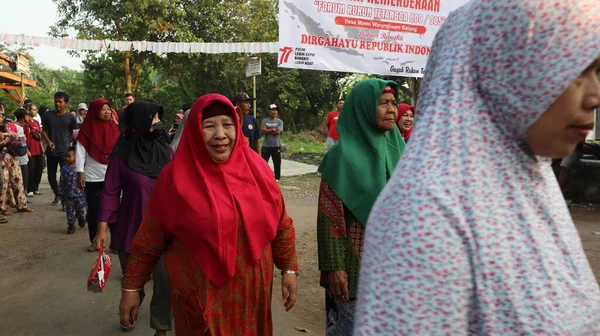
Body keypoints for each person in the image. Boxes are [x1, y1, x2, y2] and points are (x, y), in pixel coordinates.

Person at [354, 1, 600, 334]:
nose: (595, 96)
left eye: (596, 72)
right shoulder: (425, 213)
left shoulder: (531, 181)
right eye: (575, 71)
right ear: (504, 70)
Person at [113, 94, 298, 335]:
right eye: (209, 126)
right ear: (193, 132)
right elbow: (150, 238)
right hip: (199, 298)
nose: (220, 134)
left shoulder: (258, 169)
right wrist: (131, 288)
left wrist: (289, 270)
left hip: (251, 297)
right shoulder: (175, 178)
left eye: (227, 125)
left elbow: (281, 224)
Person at [317, 79, 404, 335]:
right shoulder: (342, 155)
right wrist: (334, 267)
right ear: (364, 107)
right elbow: (329, 214)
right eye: (383, 103)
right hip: (355, 268)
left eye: (394, 103)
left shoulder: (401, 151)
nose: (391, 109)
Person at [94, 100, 173, 335]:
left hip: (164, 230)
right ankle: (131, 308)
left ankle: (161, 328)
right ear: (139, 121)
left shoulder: (168, 151)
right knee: (133, 281)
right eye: (154, 118)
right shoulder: (121, 155)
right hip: (132, 229)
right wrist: (101, 229)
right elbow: (109, 193)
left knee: (165, 283)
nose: (159, 123)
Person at [76, 98, 120, 252]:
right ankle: (94, 241)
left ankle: (116, 242)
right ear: (95, 111)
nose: (107, 112)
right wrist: (80, 173)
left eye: (108, 109)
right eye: (103, 109)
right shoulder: (87, 130)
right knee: (94, 209)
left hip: (113, 175)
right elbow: (80, 153)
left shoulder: (115, 127)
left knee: (115, 208)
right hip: (92, 175)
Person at [42, 91, 77, 206]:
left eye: (60, 102)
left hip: (64, 153)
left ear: (66, 103)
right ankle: (58, 194)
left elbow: (75, 132)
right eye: (56, 101)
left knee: (65, 177)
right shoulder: (48, 115)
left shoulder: (71, 118)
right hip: (51, 151)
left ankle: (65, 200)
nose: (57, 104)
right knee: (51, 177)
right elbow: (43, 130)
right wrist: (48, 141)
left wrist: (68, 141)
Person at [0, 115, 34, 215]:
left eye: (1, 115)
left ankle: (21, 205)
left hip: (12, 157)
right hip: (1, 159)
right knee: (4, 183)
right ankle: (3, 207)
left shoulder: (9, 126)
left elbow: (18, 138)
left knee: (18, 180)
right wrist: (5, 141)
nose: (1, 118)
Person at [57, 147, 86, 234]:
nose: (67, 158)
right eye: (66, 156)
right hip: (68, 195)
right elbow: (61, 182)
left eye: (70, 156)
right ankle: (71, 225)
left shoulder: (80, 169)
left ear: (76, 156)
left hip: (79, 195)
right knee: (69, 211)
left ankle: (81, 217)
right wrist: (60, 194)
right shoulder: (64, 169)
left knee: (81, 209)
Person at [24, 104, 46, 197]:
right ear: (28, 110)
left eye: (36, 109)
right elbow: (24, 138)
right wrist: (26, 150)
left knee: (39, 169)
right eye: (33, 109)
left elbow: (40, 136)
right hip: (30, 150)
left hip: (38, 149)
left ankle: (36, 188)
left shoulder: (36, 122)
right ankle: (30, 189)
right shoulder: (25, 124)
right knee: (31, 170)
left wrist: (42, 148)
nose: (35, 111)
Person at [261, 104, 284, 181]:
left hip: (276, 145)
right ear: (269, 111)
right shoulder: (265, 121)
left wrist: (268, 130)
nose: (274, 111)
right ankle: (263, 176)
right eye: (272, 110)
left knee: (277, 162)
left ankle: (277, 177)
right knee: (263, 162)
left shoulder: (279, 121)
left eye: (275, 110)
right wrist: (272, 130)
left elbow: (278, 132)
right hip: (266, 145)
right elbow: (263, 131)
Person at [13, 109, 30, 196]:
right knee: (23, 176)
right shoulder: (18, 127)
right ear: (24, 117)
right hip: (20, 156)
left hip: (18, 155)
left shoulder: (14, 126)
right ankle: (22, 195)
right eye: (27, 116)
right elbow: (21, 142)